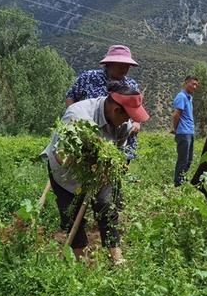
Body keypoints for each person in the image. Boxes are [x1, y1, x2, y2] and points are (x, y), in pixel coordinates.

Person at [42, 85, 150, 263]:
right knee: (71, 214)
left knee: (107, 207)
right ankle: (83, 260)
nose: (128, 121)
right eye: (127, 116)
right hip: (67, 174)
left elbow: (117, 152)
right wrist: (87, 162)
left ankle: (116, 257)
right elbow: (61, 155)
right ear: (116, 110)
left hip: (101, 172)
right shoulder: (77, 115)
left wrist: (112, 167)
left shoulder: (124, 125)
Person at [65, 44, 142, 161]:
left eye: (127, 66)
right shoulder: (89, 77)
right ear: (109, 63)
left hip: (121, 133)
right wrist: (73, 117)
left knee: (117, 166)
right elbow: (71, 96)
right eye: (121, 65)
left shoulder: (131, 85)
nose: (124, 69)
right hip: (91, 133)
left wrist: (136, 122)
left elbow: (136, 107)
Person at [172, 76, 199, 186]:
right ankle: (178, 183)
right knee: (183, 159)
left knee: (189, 159)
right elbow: (176, 115)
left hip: (190, 131)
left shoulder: (189, 97)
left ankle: (182, 179)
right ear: (186, 83)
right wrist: (175, 129)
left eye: (196, 85)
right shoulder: (181, 96)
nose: (195, 87)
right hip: (183, 132)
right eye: (193, 84)